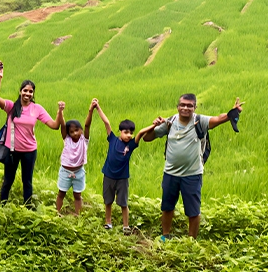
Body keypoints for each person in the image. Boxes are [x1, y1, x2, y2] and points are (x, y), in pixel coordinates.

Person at [142, 94, 245, 240]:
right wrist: (154, 125)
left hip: (192, 174)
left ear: (194, 107)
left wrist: (232, 112)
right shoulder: (170, 122)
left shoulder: (199, 121)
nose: (185, 108)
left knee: (193, 211)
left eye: (189, 105)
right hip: (170, 173)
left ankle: (191, 240)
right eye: (183, 105)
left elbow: (217, 119)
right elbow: (147, 138)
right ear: (177, 107)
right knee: (167, 207)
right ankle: (165, 235)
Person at [0, 60, 62, 205]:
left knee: (27, 182)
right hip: (12, 150)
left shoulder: (37, 109)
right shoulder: (11, 106)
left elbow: (54, 126)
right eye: (25, 90)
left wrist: (60, 112)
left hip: (29, 151)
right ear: (20, 91)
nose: (27, 94)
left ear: (33, 93)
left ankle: (27, 209)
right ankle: (1, 206)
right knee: (8, 181)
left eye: (30, 91)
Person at [91, 98, 156, 232]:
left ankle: (126, 226)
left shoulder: (131, 145)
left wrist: (154, 125)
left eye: (130, 133)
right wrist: (97, 107)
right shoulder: (113, 139)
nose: (129, 135)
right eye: (126, 132)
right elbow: (106, 122)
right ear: (120, 131)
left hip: (122, 178)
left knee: (123, 202)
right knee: (108, 201)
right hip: (108, 175)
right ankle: (108, 222)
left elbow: (141, 133)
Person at [55, 101, 92, 216]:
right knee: (61, 193)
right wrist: (60, 111)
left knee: (77, 195)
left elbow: (87, 125)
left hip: (79, 172)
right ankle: (57, 213)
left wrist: (91, 110)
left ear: (81, 130)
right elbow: (62, 125)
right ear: (68, 133)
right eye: (71, 132)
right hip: (65, 172)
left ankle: (78, 215)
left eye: (77, 130)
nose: (75, 133)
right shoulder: (67, 139)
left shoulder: (84, 140)